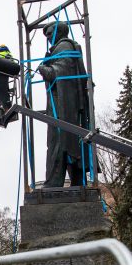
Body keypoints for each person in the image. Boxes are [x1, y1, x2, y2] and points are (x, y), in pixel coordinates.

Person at [38, 21, 91, 188]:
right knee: (69, 143)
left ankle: (54, 183)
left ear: (59, 31)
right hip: (66, 105)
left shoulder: (64, 47)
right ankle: (76, 182)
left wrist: (43, 69)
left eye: (49, 33)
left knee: (59, 143)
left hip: (63, 107)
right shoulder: (67, 47)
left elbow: (58, 72)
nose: (47, 37)